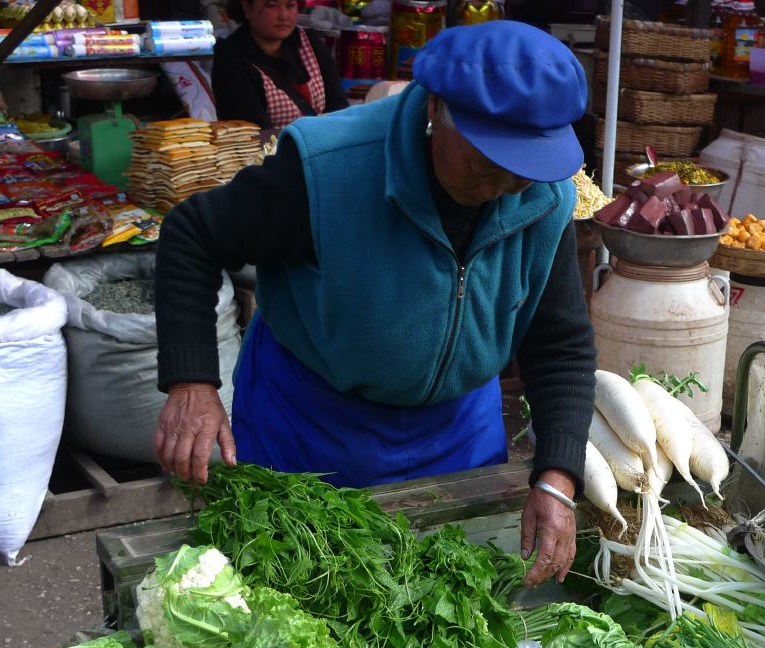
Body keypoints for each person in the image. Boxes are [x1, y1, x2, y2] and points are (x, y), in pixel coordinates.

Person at [154, 21, 597, 588]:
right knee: (304, 600)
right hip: (313, 430)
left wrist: (556, 478)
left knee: (443, 613)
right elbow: (193, 235)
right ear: (437, 108)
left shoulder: (544, 195)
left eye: (524, 168)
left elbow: (559, 341)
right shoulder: (329, 168)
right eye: (488, 163)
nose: (504, 184)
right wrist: (192, 384)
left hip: (457, 433)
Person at [210, 0, 348, 131]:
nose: (283, 16)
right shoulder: (230, 60)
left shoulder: (310, 43)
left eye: (290, 5)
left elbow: (339, 109)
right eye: (272, 5)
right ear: (247, 7)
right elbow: (252, 131)